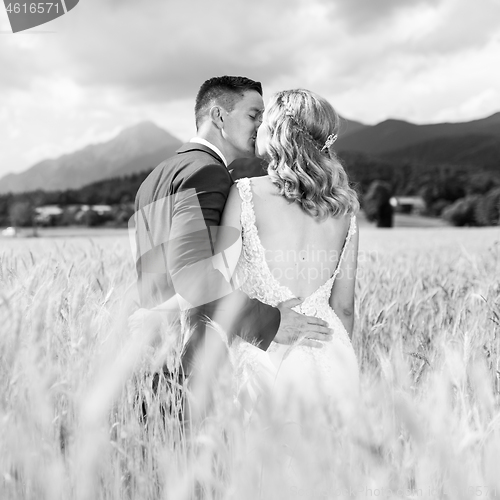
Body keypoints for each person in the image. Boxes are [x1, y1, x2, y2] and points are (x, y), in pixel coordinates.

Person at [132, 77, 333, 422]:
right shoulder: (207, 173)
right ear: (219, 116)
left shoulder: (159, 174)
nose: (261, 124)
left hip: (155, 352)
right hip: (193, 359)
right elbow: (193, 274)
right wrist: (268, 322)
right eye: (254, 114)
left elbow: (156, 275)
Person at [217, 89, 360, 418]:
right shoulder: (346, 211)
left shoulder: (245, 193)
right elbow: (345, 307)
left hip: (264, 353)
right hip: (331, 352)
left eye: (264, 121)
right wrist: (337, 358)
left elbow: (216, 280)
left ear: (278, 131)